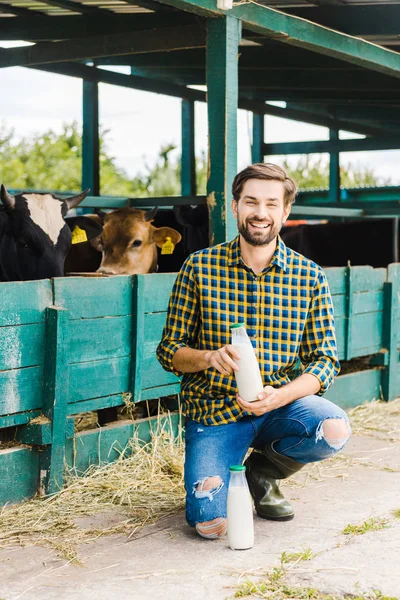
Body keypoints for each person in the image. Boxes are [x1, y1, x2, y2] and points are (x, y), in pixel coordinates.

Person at [156, 163, 351, 540]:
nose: (260, 212)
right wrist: (208, 357)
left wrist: (280, 395)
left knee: (334, 429)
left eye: (271, 204)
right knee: (210, 525)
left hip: (278, 404)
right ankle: (221, 475)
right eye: (251, 202)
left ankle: (262, 472)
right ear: (235, 207)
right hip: (215, 411)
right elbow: (170, 351)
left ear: (285, 212)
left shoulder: (309, 276)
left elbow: (325, 361)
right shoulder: (199, 267)